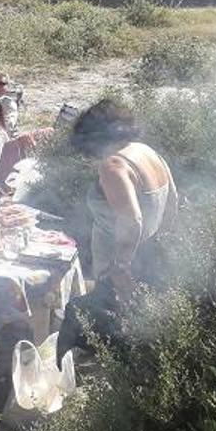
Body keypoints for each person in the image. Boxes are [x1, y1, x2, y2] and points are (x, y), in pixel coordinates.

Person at [72, 100, 177, 295]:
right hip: (146, 257)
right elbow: (172, 202)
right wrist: (156, 246)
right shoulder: (147, 151)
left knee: (104, 320)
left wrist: (120, 267)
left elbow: (132, 220)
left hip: (114, 268)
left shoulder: (113, 166)